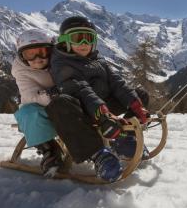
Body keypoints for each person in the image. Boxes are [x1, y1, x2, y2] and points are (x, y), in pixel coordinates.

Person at [45, 16, 150, 182]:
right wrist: (103, 115)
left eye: (89, 38)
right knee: (60, 104)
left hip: (102, 109)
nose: (84, 43)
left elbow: (117, 83)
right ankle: (98, 154)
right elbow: (81, 90)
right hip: (81, 113)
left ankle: (122, 139)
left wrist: (136, 105)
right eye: (78, 38)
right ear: (65, 40)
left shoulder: (97, 59)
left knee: (139, 94)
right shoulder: (62, 63)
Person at [12, 29, 64, 177]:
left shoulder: (58, 61)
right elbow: (30, 97)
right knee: (29, 113)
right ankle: (50, 152)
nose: (37, 58)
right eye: (30, 54)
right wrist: (50, 95)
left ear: (50, 51)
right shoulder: (21, 71)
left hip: (65, 105)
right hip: (39, 108)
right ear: (22, 57)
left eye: (42, 52)